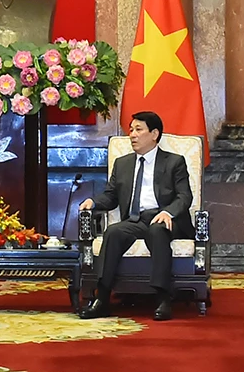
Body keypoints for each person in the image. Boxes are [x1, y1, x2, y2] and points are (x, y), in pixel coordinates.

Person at [78, 110, 193, 323]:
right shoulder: (123, 164)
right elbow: (111, 196)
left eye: (138, 130)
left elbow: (185, 196)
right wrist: (93, 202)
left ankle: (162, 298)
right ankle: (101, 299)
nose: (132, 135)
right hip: (134, 219)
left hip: (165, 218)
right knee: (113, 232)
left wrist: (168, 212)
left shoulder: (174, 162)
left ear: (154, 134)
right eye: (131, 130)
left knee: (157, 230)